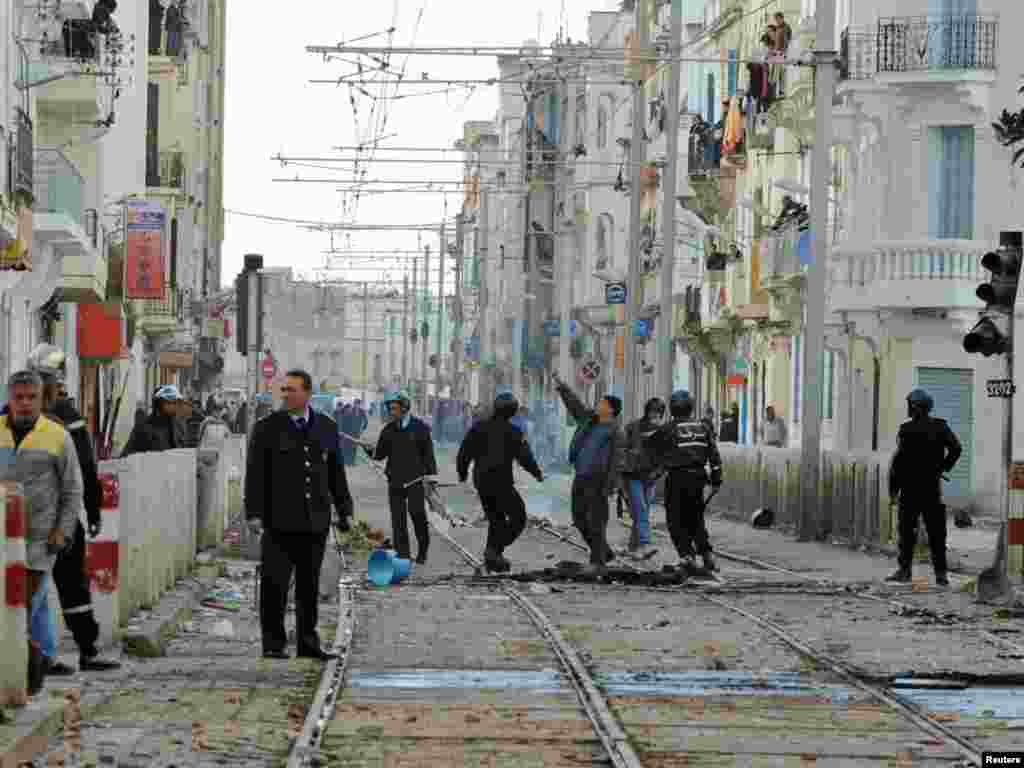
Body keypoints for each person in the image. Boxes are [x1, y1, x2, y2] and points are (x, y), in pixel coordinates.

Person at [24, 345, 120, 675]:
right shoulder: (67, 415)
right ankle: (86, 651)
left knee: (29, 587)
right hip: (59, 519)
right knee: (72, 586)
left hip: (23, 519)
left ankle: (37, 656)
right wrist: (93, 511)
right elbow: (85, 469)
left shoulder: (11, 413)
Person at [245, 369, 353, 660]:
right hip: (279, 520)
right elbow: (255, 474)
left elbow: (336, 473)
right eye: (284, 390)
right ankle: (273, 643)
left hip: (314, 521)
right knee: (274, 584)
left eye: (292, 390)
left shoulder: (326, 427)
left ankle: (308, 643)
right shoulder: (267, 428)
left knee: (309, 585)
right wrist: (254, 513)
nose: (286, 395)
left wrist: (345, 510)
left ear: (307, 393)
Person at [0, 370, 84, 694]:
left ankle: (26, 674)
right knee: (23, 605)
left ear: (41, 399)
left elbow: (72, 489)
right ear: (9, 399)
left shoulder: (57, 436)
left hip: (39, 540)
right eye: (18, 397)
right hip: (2, 538)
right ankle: (41, 659)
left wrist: (62, 531)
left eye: (31, 397)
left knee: (21, 604)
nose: (24, 403)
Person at [456, 391, 544, 573]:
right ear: (513, 412)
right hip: (501, 482)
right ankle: (494, 550)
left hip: (481, 481)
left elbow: (464, 453)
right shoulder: (514, 432)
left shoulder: (478, 428)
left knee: (496, 519)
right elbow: (525, 458)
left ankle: (493, 557)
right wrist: (537, 474)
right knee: (518, 517)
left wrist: (462, 474)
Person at [550, 370, 626, 576]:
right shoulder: (589, 421)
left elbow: (618, 461)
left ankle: (598, 561)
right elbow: (575, 405)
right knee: (579, 517)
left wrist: (612, 484)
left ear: (611, 410)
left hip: (599, 479)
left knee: (596, 521)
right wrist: (562, 387)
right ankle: (604, 552)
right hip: (581, 476)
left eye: (602, 403)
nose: (598, 405)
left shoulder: (615, 431)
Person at [886, 389, 962, 587]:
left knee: (906, 533)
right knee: (937, 534)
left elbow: (898, 463)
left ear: (914, 407)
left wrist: (893, 491)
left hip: (909, 489)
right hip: (931, 489)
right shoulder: (940, 427)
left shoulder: (906, 429)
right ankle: (941, 575)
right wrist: (943, 467)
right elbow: (956, 448)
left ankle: (904, 571)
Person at [650, 390, 723, 573]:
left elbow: (652, 450)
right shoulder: (703, 427)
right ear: (691, 407)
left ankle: (687, 556)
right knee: (695, 518)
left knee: (675, 519)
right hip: (698, 478)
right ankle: (707, 554)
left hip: (677, 478)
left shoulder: (668, 429)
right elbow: (714, 455)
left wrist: (653, 473)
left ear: (672, 408)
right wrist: (716, 480)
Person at [365, 390, 436, 564]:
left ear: (404, 408)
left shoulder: (420, 428)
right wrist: (369, 450)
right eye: (390, 409)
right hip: (395, 480)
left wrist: (431, 478)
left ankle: (423, 550)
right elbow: (379, 454)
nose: (391, 412)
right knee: (398, 519)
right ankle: (403, 554)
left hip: (415, 481)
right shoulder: (388, 430)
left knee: (417, 514)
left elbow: (428, 455)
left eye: (394, 408)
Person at [621, 397, 665, 560]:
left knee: (642, 512)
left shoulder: (662, 431)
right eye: (653, 412)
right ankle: (645, 544)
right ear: (647, 411)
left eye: (658, 413)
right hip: (633, 476)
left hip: (650, 477)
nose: (655, 415)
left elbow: (666, 456)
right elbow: (621, 449)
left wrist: (658, 472)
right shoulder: (633, 427)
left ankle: (633, 547)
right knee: (640, 510)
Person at [121, 385, 182, 456]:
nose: (174, 406)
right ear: (158, 404)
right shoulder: (143, 428)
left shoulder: (177, 427)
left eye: (174, 402)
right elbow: (127, 455)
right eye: (169, 402)